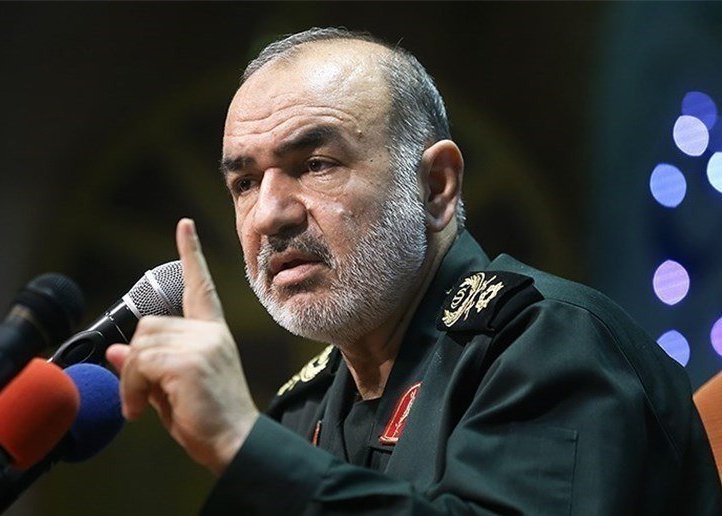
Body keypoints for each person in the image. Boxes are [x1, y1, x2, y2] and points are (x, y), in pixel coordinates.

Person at [105, 28, 722, 514]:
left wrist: (242, 444)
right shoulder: (297, 414)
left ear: (435, 186)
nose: (269, 213)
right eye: (244, 182)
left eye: (316, 164)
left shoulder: (553, 346)